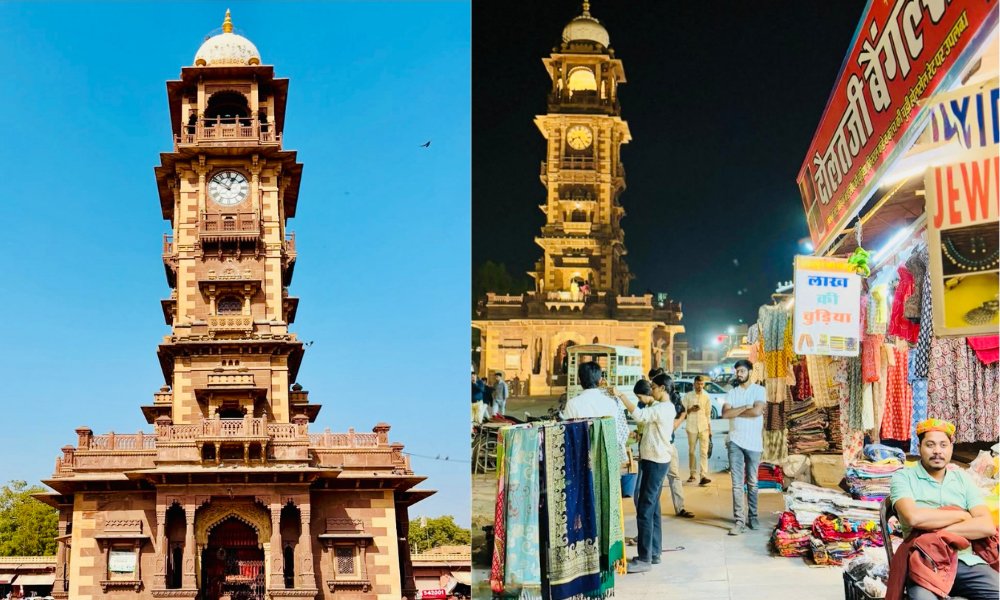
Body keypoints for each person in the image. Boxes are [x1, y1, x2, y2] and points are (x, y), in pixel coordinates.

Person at [887, 418, 999, 600]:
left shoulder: (962, 479)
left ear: (951, 448)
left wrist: (936, 534)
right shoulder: (903, 477)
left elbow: (986, 525)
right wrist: (962, 516)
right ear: (919, 447)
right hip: (924, 561)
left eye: (943, 445)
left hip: (964, 560)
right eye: (930, 445)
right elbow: (913, 518)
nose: (937, 451)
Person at [617, 372, 676, 573]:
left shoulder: (664, 408)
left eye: (653, 386)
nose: (651, 390)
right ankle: (654, 552)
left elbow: (640, 415)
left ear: (662, 388)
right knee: (653, 508)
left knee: (644, 509)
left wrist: (621, 396)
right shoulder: (658, 407)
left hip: (656, 462)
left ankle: (644, 559)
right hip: (654, 460)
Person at [721, 359, 765, 536]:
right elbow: (725, 414)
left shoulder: (759, 390)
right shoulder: (731, 393)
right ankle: (739, 520)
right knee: (737, 484)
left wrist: (738, 411)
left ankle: (753, 516)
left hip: (754, 443)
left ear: (749, 372)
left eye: (742, 371)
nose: (739, 374)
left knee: (753, 482)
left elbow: (757, 412)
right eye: (737, 371)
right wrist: (745, 407)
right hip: (735, 442)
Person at [561, 360, 629, 464]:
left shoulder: (572, 404)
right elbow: (617, 433)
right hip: (606, 458)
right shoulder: (611, 403)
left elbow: (567, 434)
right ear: (600, 380)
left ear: (579, 379)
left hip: (581, 458)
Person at [683, 375, 713, 486]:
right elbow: (683, 413)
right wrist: (691, 409)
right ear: (694, 384)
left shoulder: (707, 396)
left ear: (704, 384)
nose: (700, 386)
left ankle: (703, 475)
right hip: (691, 427)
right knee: (691, 451)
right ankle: (692, 473)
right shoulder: (688, 396)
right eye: (698, 384)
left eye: (701, 384)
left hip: (704, 427)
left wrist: (710, 429)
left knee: (704, 452)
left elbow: (708, 414)